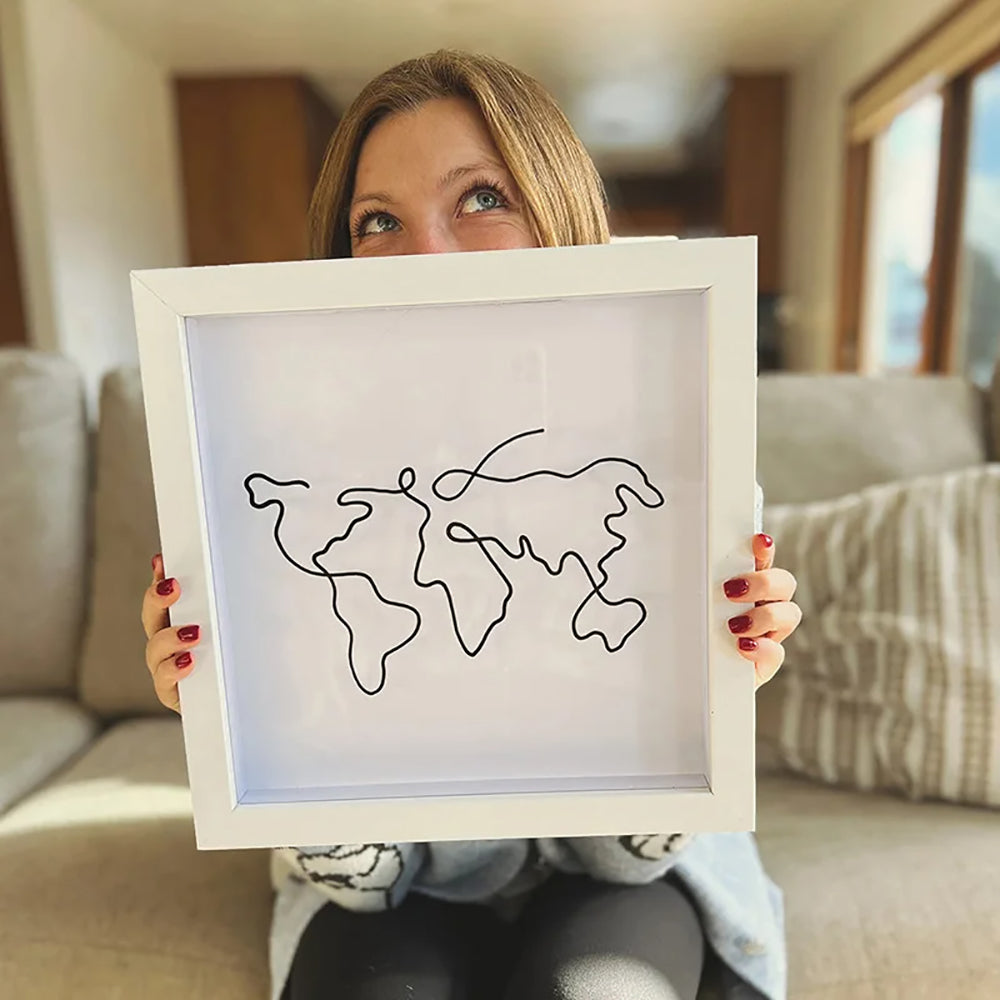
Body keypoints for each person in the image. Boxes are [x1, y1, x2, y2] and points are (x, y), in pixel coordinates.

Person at [141, 50, 802, 1000]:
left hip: (618, 878)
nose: (427, 259)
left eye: (483, 199)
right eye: (378, 221)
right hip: (395, 889)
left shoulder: (671, 445)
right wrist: (240, 710)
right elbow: (365, 886)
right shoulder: (285, 484)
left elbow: (627, 864)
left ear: (559, 215)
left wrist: (710, 697)